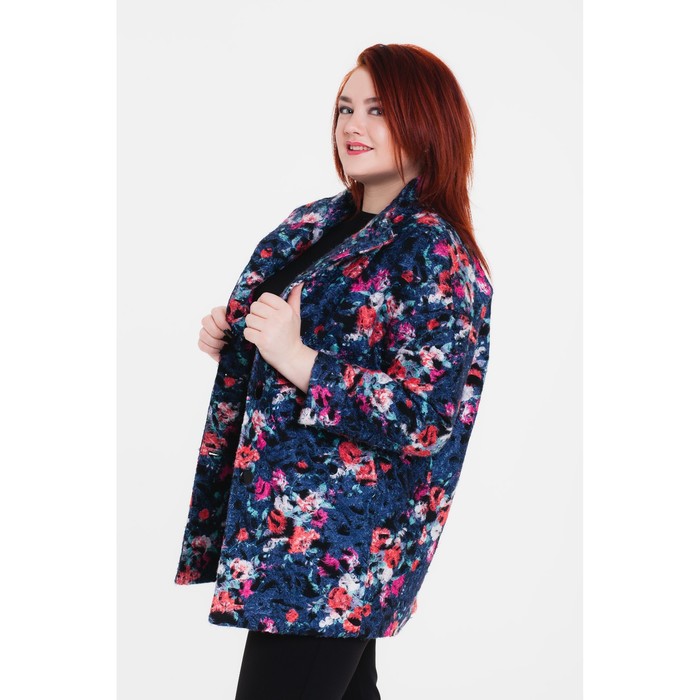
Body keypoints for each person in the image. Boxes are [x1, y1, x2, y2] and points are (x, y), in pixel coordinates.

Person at [175, 43, 494, 699]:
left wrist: (298, 359)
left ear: (426, 120)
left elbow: (425, 417)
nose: (354, 125)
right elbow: (286, 334)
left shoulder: (432, 250)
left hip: (339, 550)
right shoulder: (314, 223)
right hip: (284, 530)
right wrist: (236, 339)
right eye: (346, 108)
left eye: (378, 110)